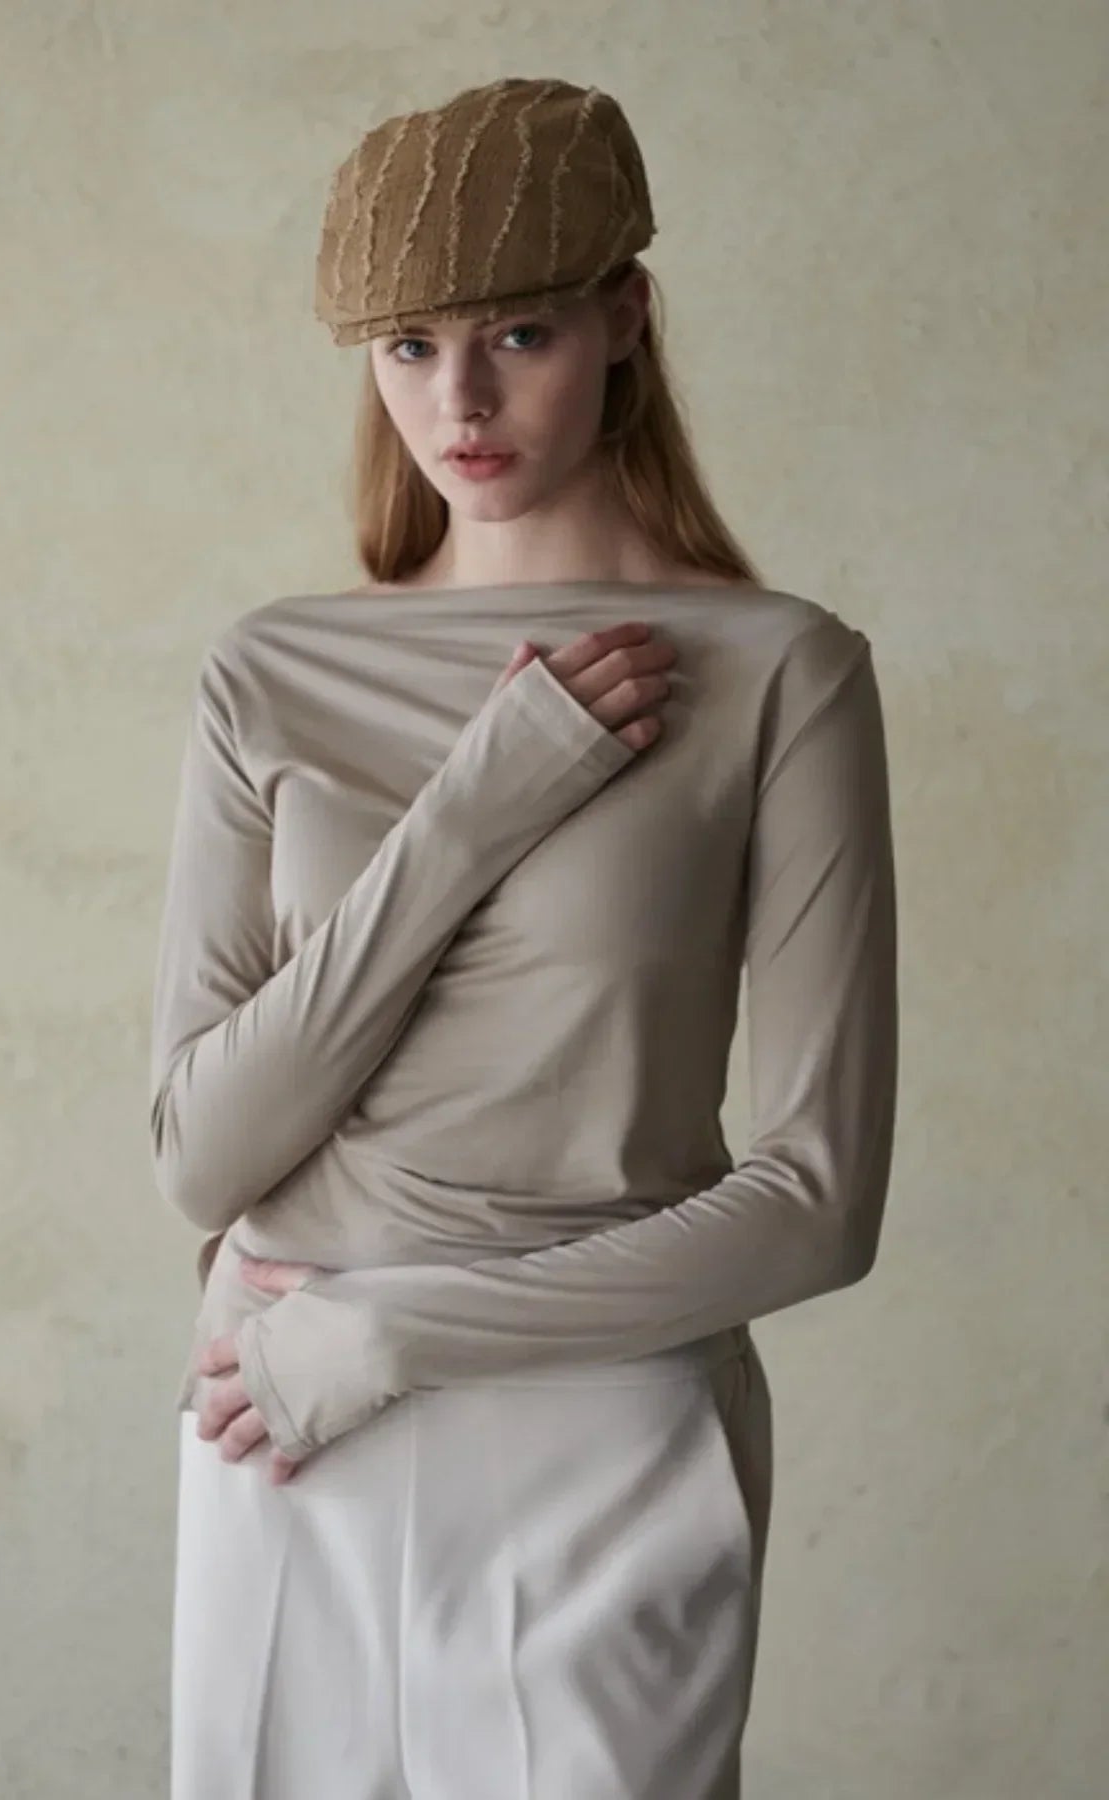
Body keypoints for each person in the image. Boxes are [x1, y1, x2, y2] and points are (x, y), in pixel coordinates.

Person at [151, 75, 899, 1799]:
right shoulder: (271, 672)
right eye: (407, 346)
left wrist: (400, 1336)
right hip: (276, 1420)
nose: (460, 400)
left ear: (626, 317)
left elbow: (819, 1199)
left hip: (599, 1419)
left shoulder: (779, 671)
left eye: (522, 332)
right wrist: (484, 804)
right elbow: (204, 1156)